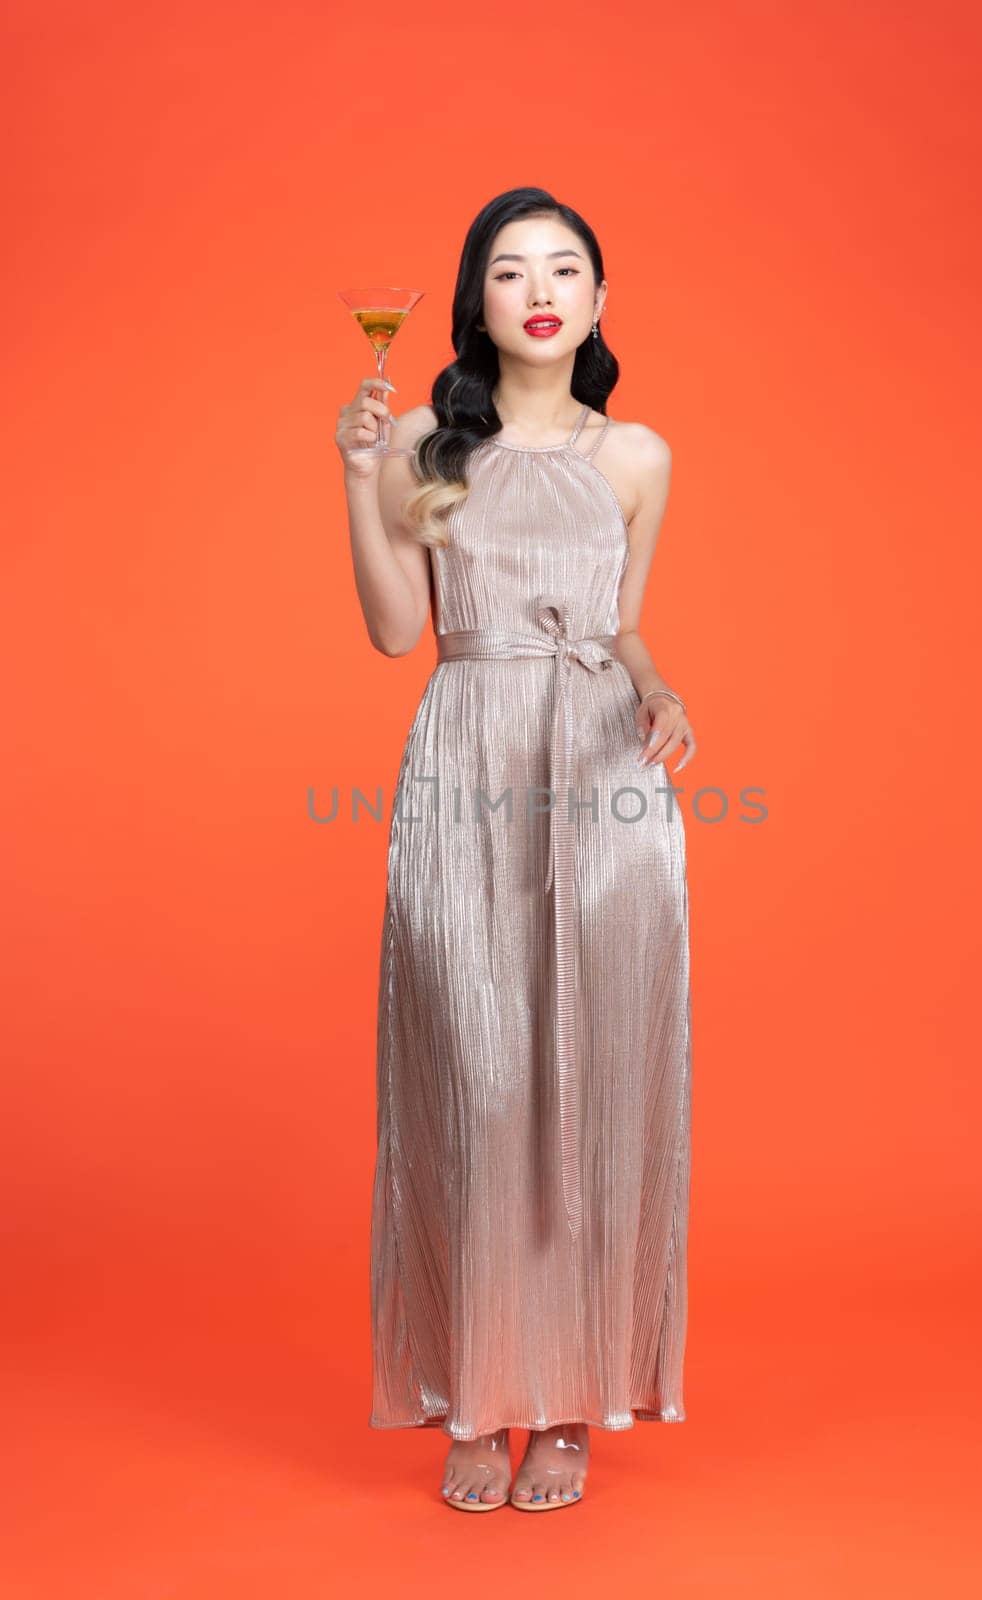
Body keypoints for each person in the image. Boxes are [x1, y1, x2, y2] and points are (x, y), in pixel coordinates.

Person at [335, 187, 696, 1513]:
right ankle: (477, 1389)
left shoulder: (638, 456)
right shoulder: (424, 442)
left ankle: (573, 1401)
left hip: (605, 779)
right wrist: (351, 478)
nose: (538, 288)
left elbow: (628, 625)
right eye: (507, 269)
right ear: (472, 301)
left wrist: (657, 692)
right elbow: (391, 633)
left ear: (599, 301)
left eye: (564, 268)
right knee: (478, 1078)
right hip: (467, 763)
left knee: (590, 1085)